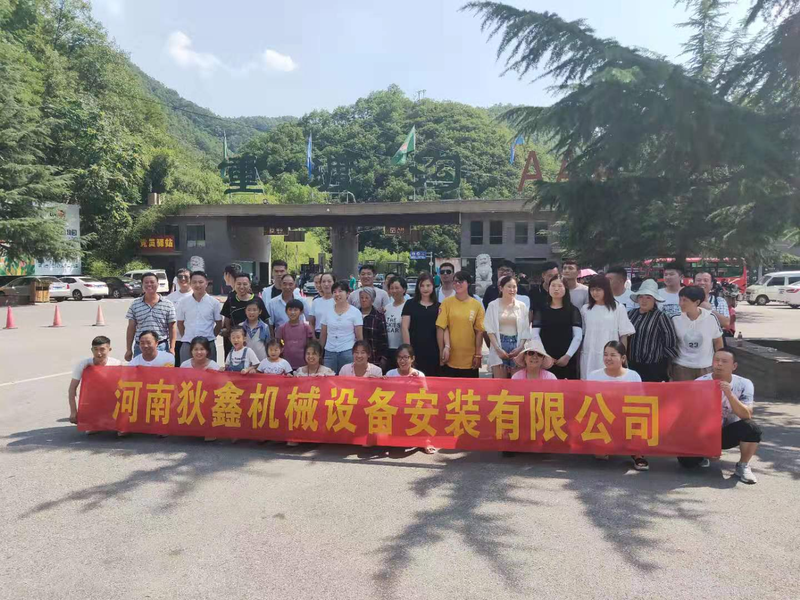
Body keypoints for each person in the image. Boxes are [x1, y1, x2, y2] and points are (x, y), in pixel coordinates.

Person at [679, 348, 762, 483]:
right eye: (716, 360)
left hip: (728, 431)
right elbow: (690, 415)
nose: (719, 364)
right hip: (704, 431)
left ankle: (743, 466)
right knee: (687, 463)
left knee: (752, 428)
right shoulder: (700, 382)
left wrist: (730, 394)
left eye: (724, 361)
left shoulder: (744, 384)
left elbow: (746, 415)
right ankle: (703, 454)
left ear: (734, 366)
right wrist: (709, 445)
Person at [587, 341, 648, 471]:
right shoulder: (594, 375)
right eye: (605, 354)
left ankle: (637, 454)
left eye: (613, 355)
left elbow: (641, 402)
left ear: (623, 358)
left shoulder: (633, 375)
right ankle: (608, 446)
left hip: (627, 418)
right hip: (603, 419)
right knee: (600, 455)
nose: (608, 358)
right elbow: (588, 401)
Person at [580, 275, 636, 378]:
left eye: (598, 290)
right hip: (590, 354)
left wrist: (622, 357)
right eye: (592, 290)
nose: (595, 293)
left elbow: (624, 335)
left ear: (606, 290)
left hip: (611, 355)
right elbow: (581, 335)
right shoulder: (585, 309)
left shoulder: (618, 308)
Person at [625, 279, 679, 382]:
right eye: (641, 297)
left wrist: (665, 365)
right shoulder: (630, 314)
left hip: (653, 367)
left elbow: (670, 342)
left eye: (648, 297)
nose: (644, 300)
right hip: (631, 365)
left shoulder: (661, 317)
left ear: (655, 300)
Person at [531, 276, 583, 380]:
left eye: (560, 286)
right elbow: (535, 334)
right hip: (545, 357)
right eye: (553, 285)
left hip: (567, 358)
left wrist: (568, 356)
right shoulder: (541, 309)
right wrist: (544, 355)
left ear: (566, 289)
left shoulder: (573, 310)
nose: (556, 289)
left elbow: (577, 336)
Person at [436, 271, 486, 378]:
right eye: (455, 282)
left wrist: (478, 354)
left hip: (469, 359)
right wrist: (443, 349)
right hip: (450, 357)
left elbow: (479, 332)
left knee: (469, 388)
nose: (457, 284)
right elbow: (442, 327)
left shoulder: (476, 305)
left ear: (468, 283)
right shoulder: (446, 303)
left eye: (461, 281)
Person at [669, 285, 724, 381]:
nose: (681, 303)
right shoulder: (675, 319)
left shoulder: (711, 318)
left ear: (697, 302)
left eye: (685, 300)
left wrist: (719, 363)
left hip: (705, 366)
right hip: (682, 366)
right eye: (680, 299)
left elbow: (718, 342)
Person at [68, 336, 122, 424]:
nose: (98, 353)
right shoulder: (83, 365)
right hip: (91, 401)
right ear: (91, 350)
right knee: (92, 428)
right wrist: (73, 411)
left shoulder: (117, 364)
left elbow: (123, 387)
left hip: (111, 400)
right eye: (95, 349)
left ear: (109, 349)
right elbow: (72, 389)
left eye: (102, 349)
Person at [124, 272, 176, 361]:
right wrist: (128, 349)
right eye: (146, 282)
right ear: (142, 285)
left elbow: (172, 327)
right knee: (140, 370)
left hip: (161, 346)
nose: (149, 285)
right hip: (140, 347)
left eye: (152, 282)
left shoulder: (168, 304)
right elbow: (131, 328)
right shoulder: (135, 304)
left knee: (161, 370)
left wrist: (172, 347)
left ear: (157, 284)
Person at [485, 275, 530, 378]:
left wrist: (520, 348)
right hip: (499, 344)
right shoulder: (493, 305)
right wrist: (498, 349)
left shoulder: (521, 306)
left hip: (516, 344)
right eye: (509, 286)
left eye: (514, 287)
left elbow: (525, 329)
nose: (512, 290)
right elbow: (489, 329)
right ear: (501, 288)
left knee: (516, 383)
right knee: (500, 384)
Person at [176, 271, 222, 363]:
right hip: (188, 343)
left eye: (201, 282)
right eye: (194, 282)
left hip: (208, 344)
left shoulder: (214, 303)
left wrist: (211, 336)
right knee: (186, 370)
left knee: (209, 370)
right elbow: (180, 323)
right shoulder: (183, 302)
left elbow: (219, 323)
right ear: (190, 283)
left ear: (206, 283)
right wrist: (186, 336)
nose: (197, 285)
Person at [401, 272, 440, 377]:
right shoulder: (410, 304)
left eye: (428, 285)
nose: (425, 288)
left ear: (433, 286)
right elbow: (404, 327)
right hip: (415, 348)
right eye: (422, 285)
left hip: (433, 350)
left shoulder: (439, 306)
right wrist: (408, 350)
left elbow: (440, 330)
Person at [320, 281, 364, 373]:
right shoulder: (327, 312)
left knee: (347, 378)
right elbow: (323, 335)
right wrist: (320, 352)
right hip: (329, 352)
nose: (337, 294)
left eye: (340, 291)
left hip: (348, 351)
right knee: (328, 378)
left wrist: (359, 354)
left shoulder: (355, 312)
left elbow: (359, 337)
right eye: (334, 292)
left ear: (348, 293)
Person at [221, 273, 268, 358]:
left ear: (249, 284)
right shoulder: (230, 300)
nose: (241, 287)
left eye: (245, 284)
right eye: (239, 284)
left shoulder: (257, 300)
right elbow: (227, 319)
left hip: (255, 341)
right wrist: (229, 333)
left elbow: (265, 320)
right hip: (236, 341)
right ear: (234, 284)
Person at [276, 299, 314, 370]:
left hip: (304, 364)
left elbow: (310, 345)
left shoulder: (306, 327)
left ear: (301, 312)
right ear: (286, 311)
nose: (292, 312)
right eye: (290, 310)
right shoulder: (282, 328)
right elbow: (278, 344)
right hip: (286, 365)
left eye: (295, 310)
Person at [358, 286, 389, 371]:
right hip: (357, 357)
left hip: (374, 358)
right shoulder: (354, 314)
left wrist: (383, 358)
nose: (363, 300)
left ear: (372, 300)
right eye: (361, 298)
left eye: (366, 298)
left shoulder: (379, 317)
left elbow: (384, 340)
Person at [385, 276, 408, 371]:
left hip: (402, 349)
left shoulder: (408, 306)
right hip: (388, 350)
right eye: (391, 288)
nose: (394, 291)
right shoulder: (386, 308)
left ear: (404, 290)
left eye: (397, 288)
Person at [308, 272, 335, 339]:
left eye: (329, 281)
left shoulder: (339, 301)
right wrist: (314, 338)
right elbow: (311, 322)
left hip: (334, 335)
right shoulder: (316, 301)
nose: (326, 284)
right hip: (318, 335)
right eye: (323, 281)